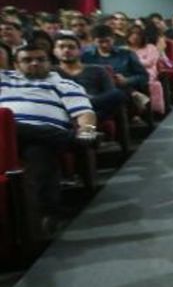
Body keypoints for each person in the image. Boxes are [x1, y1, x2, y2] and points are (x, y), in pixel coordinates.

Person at [0, 44, 98, 233]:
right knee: (10, 124)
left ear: (50, 62)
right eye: (27, 60)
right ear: (16, 64)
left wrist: (88, 131)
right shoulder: (3, 80)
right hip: (2, 135)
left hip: (40, 141)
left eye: (40, 59)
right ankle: (68, 139)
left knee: (39, 152)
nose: (35, 63)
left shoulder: (65, 85)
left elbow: (85, 113)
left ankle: (44, 214)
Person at [53, 33, 126, 122]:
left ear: (80, 51)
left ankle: (86, 120)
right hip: (64, 109)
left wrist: (87, 101)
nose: (66, 50)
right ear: (54, 51)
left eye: (71, 47)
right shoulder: (50, 72)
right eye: (61, 47)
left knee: (118, 94)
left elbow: (111, 93)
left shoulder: (98, 70)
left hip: (94, 107)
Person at [82, 24, 150, 112]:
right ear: (93, 41)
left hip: (120, 90)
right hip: (96, 91)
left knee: (116, 94)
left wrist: (127, 80)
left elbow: (144, 76)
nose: (104, 45)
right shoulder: (86, 57)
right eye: (100, 42)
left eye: (107, 41)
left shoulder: (126, 54)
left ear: (113, 39)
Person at [126, 25, 171, 117]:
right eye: (132, 34)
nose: (134, 36)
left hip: (148, 72)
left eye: (137, 34)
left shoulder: (150, 47)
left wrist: (133, 62)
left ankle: (146, 111)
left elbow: (150, 62)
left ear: (142, 36)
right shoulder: (123, 49)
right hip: (130, 73)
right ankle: (135, 113)